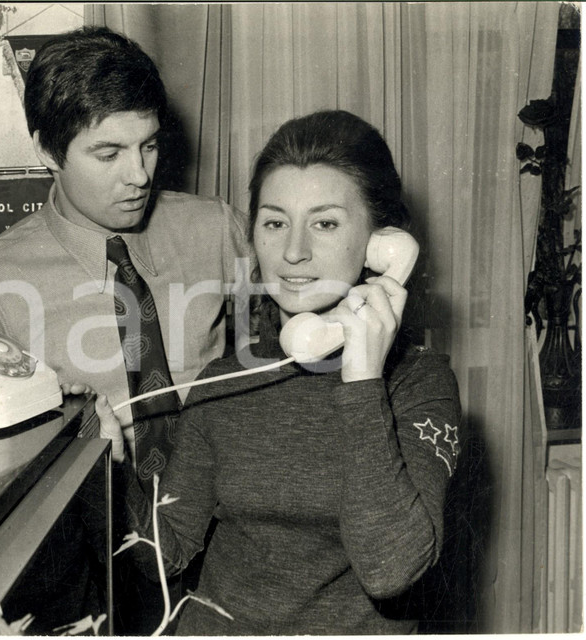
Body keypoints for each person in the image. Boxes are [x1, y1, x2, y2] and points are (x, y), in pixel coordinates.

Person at [0, 26, 252, 635]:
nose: (139, 175)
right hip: (98, 561)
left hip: (230, 546)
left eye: (148, 146)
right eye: (108, 154)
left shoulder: (217, 229)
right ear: (47, 150)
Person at [96, 109, 463, 635]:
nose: (293, 252)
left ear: (383, 245)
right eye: (274, 223)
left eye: (325, 223)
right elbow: (165, 554)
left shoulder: (419, 385)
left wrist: (363, 381)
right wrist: (110, 471)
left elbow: (391, 570)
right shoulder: (226, 380)